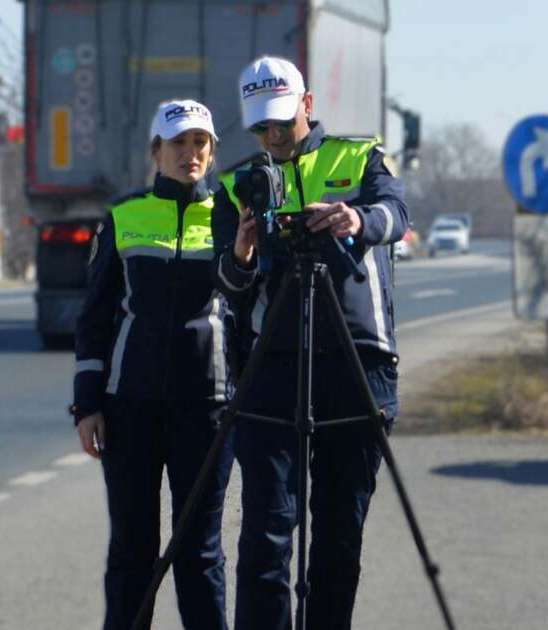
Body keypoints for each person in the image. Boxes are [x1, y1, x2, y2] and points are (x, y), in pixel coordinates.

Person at [211, 56, 408, 630]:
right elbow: (226, 286)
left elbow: (397, 213)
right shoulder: (239, 185)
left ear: (308, 104)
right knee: (267, 531)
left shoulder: (360, 156)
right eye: (261, 127)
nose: (273, 136)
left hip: (358, 361)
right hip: (273, 364)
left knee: (340, 532)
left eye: (282, 121)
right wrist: (243, 252)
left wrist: (355, 220)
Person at [72, 99, 235, 630]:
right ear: (156, 151)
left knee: (200, 552)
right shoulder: (124, 216)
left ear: (212, 152)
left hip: (208, 411)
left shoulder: (231, 217)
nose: (191, 153)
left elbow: (249, 306)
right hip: (130, 409)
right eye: (179, 143)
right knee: (132, 550)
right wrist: (87, 406)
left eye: (200, 143)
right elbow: (95, 318)